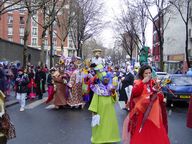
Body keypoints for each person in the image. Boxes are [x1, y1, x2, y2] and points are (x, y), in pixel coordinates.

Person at [122, 65, 170, 144]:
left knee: (156, 136)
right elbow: (134, 93)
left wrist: (158, 93)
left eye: (149, 73)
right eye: (146, 73)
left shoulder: (154, 83)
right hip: (143, 115)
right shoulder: (138, 83)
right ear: (142, 74)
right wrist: (143, 82)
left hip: (155, 115)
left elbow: (160, 98)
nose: (148, 75)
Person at [88, 69, 121, 143]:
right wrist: (94, 113)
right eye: (104, 77)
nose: (106, 79)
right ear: (101, 78)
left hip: (110, 113)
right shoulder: (98, 89)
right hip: (100, 112)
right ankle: (100, 140)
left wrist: (113, 92)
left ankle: (108, 139)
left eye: (108, 77)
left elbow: (114, 100)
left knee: (109, 127)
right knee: (100, 127)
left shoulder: (111, 87)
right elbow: (94, 102)